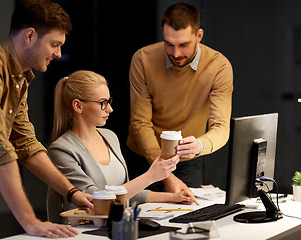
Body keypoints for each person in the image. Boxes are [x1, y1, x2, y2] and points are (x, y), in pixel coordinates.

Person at [0, 0, 93, 238]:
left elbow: (25, 144)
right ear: (30, 36)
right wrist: (31, 222)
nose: (58, 54)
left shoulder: (18, 77)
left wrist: (71, 192)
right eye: (54, 44)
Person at [46, 70, 198, 223]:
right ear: (78, 106)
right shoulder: (61, 150)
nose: (110, 109)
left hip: (114, 226)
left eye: (109, 102)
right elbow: (97, 202)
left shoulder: (109, 137)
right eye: (102, 103)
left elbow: (127, 193)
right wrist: (150, 176)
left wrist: (173, 197)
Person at [126, 2, 233, 191]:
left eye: (183, 45)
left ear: (199, 36)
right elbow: (140, 123)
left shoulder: (219, 66)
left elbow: (221, 127)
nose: (175, 53)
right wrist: (164, 173)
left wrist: (200, 145)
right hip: (144, 156)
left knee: (186, 217)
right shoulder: (143, 59)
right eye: (169, 44)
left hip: (187, 160)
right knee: (138, 217)